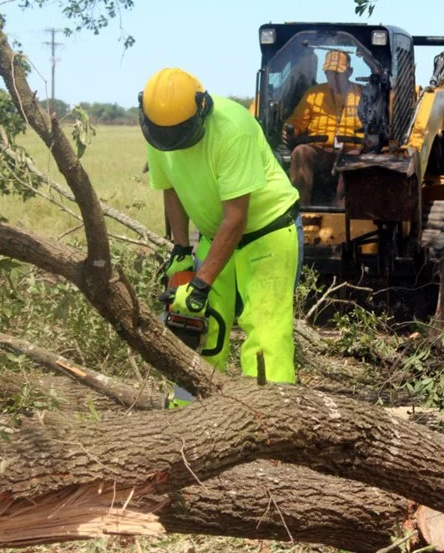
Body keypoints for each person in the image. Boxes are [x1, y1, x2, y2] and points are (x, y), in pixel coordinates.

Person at [140, 67, 302, 384]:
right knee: (197, 324)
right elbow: (170, 188)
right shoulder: (160, 133)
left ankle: (270, 421)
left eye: (180, 134)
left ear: (202, 108)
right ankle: (189, 415)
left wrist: (200, 284)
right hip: (215, 234)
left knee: (266, 332)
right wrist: (181, 248)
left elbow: (236, 217)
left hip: (267, 232)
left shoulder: (232, 128)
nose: (174, 142)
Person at [284, 49, 363, 206]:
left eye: (338, 73)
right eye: (329, 72)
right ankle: (301, 209)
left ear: (349, 72)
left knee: (354, 161)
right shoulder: (313, 94)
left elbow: (372, 127)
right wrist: (290, 130)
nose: (333, 77)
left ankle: (343, 212)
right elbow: (297, 122)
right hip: (319, 150)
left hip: (350, 151)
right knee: (301, 152)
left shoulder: (363, 95)